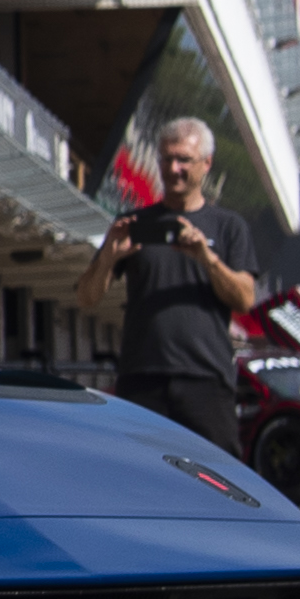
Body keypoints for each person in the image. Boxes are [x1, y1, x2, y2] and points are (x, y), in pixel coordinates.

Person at [77, 114, 264, 455]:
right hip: (142, 378)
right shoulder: (133, 224)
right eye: (167, 158)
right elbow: (87, 297)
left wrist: (206, 257)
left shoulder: (228, 227)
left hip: (206, 380)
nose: (173, 168)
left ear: (206, 164)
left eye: (184, 160)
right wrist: (108, 256)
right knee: (139, 476)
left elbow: (245, 299)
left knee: (219, 482)